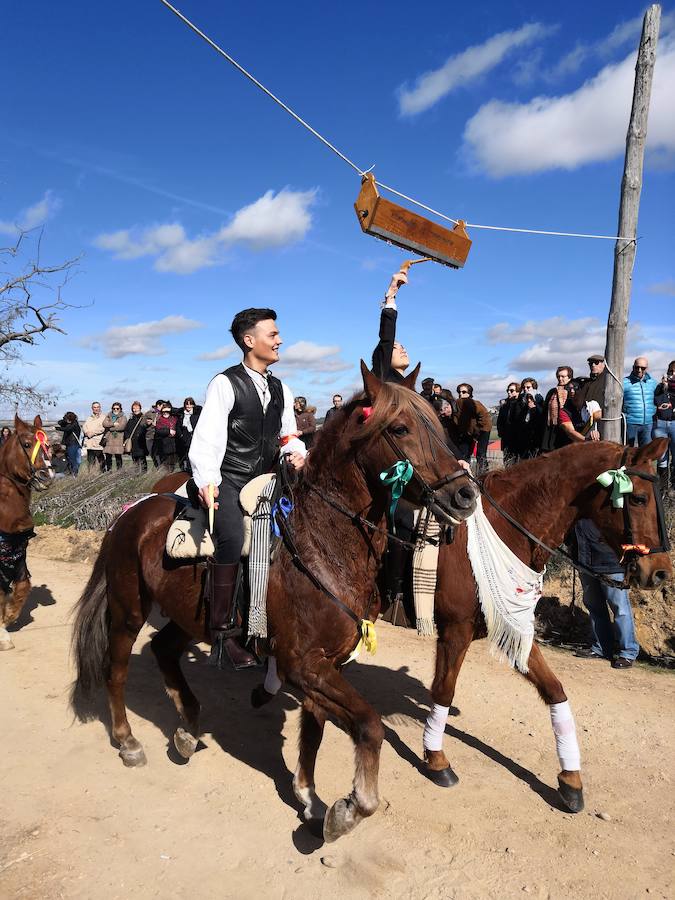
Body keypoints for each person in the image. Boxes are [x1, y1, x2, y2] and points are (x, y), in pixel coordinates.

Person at [188, 307, 306, 669]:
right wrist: (207, 480)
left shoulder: (282, 387)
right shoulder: (225, 383)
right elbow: (207, 438)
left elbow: (287, 434)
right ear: (249, 340)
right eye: (273, 334)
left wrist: (296, 453)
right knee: (230, 539)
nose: (280, 340)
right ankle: (222, 632)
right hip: (229, 479)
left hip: (268, 482)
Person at [573, 519, 639, 669]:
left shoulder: (605, 503)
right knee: (594, 607)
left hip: (611, 563)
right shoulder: (577, 504)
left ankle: (628, 652)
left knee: (620, 609)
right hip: (584, 563)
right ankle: (601, 648)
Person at [622, 357, 657, 447]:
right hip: (630, 422)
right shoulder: (624, 382)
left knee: (645, 453)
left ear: (647, 368)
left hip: (648, 423)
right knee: (628, 451)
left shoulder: (653, 383)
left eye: (643, 368)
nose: (639, 370)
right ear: (633, 367)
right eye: (637, 367)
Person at [653, 361, 675, 499]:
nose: (672, 375)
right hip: (660, 424)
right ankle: (662, 487)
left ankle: (673, 486)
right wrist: (664, 387)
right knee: (662, 457)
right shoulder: (660, 387)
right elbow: (655, 402)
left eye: (674, 372)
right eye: (670, 372)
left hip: (674, 423)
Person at [541, 366, 573, 452]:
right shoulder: (552, 391)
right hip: (551, 427)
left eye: (563, 376)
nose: (560, 378)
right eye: (558, 376)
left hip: (566, 427)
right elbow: (545, 410)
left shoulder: (572, 391)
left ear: (569, 377)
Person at [512, 378, 544, 461]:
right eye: (524, 388)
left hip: (536, 439)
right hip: (524, 439)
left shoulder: (539, 400)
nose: (525, 389)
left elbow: (541, 418)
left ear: (534, 388)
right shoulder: (522, 401)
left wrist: (534, 408)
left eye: (528, 387)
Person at [497, 382, 520, 466]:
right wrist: (501, 432)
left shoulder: (521, 404)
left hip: (518, 438)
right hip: (506, 437)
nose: (509, 392)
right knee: (507, 462)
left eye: (512, 390)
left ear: (518, 391)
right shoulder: (505, 405)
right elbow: (500, 421)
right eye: (508, 390)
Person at [177, 397, 202, 471]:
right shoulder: (182, 414)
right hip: (185, 436)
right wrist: (181, 435)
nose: (189, 406)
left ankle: (195, 468)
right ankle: (187, 468)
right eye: (187, 404)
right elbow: (178, 426)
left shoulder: (196, 414)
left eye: (190, 404)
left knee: (194, 453)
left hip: (194, 436)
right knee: (186, 453)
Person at [123, 401, 148, 472]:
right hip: (133, 443)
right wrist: (128, 438)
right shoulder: (130, 420)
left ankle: (144, 474)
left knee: (142, 459)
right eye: (133, 408)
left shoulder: (144, 418)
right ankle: (136, 474)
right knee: (135, 460)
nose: (135, 409)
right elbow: (126, 430)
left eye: (137, 407)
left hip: (141, 442)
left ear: (140, 408)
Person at [55, 411, 82, 476]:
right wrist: (64, 421)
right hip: (70, 444)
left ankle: (74, 474)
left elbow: (67, 429)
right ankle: (71, 473)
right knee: (71, 460)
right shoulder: (69, 423)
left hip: (73, 444)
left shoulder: (74, 424)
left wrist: (56, 428)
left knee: (73, 460)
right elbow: (59, 422)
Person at [102, 403, 127, 471]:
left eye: (117, 408)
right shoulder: (108, 416)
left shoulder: (123, 417)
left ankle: (119, 472)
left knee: (118, 456)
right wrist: (113, 424)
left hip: (118, 440)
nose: (115, 410)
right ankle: (109, 471)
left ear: (120, 409)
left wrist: (110, 428)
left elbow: (121, 427)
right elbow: (104, 424)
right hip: (109, 439)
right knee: (108, 456)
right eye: (114, 408)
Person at [154, 404, 178, 470]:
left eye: (167, 411)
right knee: (166, 464)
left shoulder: (174, 418)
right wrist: (168, 431)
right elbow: (158, 431)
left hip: (174, 444)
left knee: (173, 463)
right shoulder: (160, 420)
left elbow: (178, 410)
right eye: (164, 411)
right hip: (164, 444)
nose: (165, 413)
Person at [83, 402, 106, 470]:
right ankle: (91, 476)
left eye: (97, 407)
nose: (96, 409)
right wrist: (86, 432)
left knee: (101, 462)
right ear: (92, 408)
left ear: (100, 407)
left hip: (98, 443)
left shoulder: (103, 417)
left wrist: (93, 433)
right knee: (90, 462)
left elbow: (103, 428)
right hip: (90, 443)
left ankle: (104, 475)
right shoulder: (89, 418)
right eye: (94, 407)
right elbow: (84, 426)